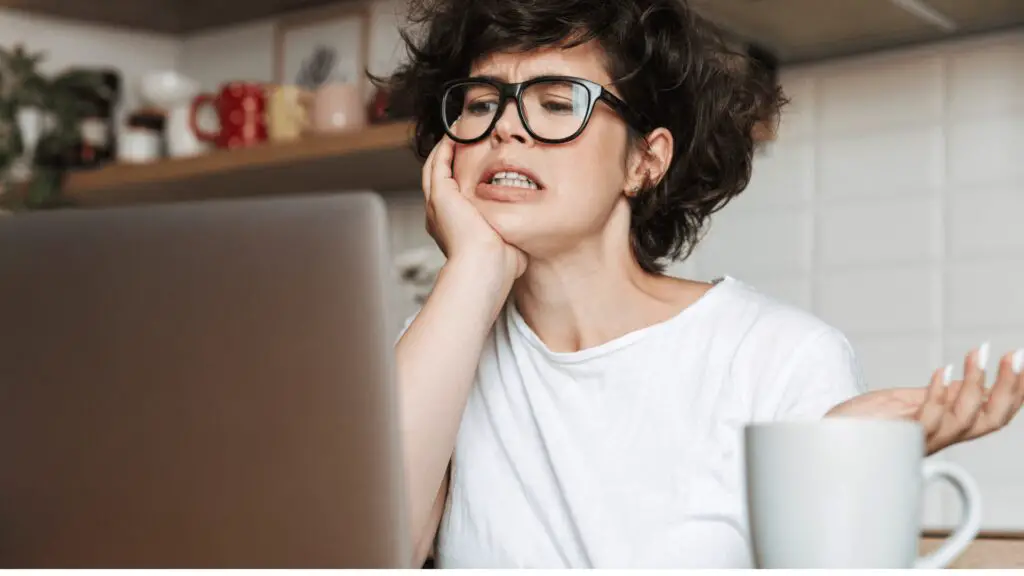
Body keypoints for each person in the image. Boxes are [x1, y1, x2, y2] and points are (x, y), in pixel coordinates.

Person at [379, 0, 1024, 568]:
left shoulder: (779, 357)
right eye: (481, 104)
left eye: (557, 104)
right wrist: (471, 270)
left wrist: (832, 467)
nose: (506, 128)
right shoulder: (445, 340)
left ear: (644, 161)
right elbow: (367, 556)